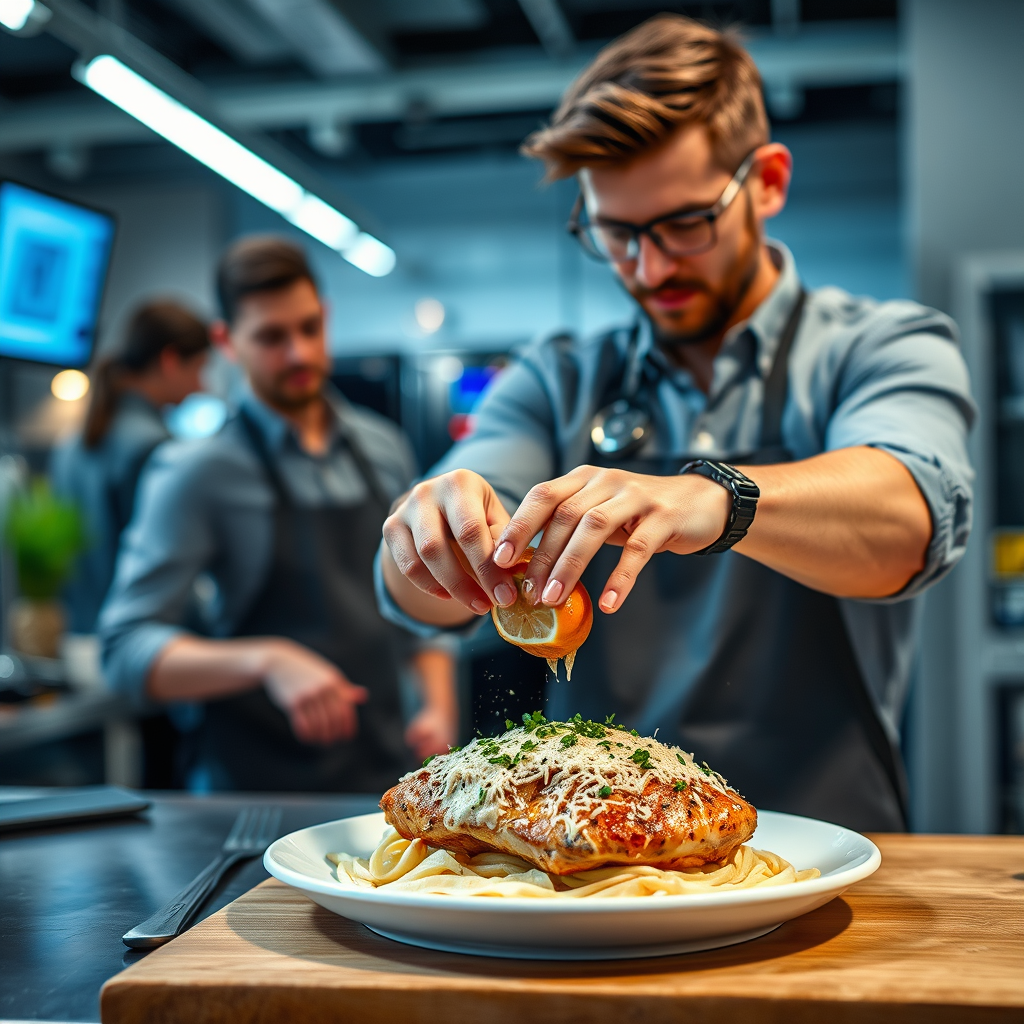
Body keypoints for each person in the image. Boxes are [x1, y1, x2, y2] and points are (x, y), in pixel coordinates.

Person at [377, 15, 975, 831]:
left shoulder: (883, 345)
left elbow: (911, 518)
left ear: (766, 180)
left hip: (831, 851)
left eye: (685, 224)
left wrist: (717, 497)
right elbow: (427, 586)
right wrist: (428, 538)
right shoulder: (557, 380)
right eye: (616, 234)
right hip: (601, 850)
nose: (649, 269)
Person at [99, 236, 457, 792]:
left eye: (310, 328)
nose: (299, 355)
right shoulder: (196, 471)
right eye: (271, 337)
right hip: (250, 799)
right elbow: (124, 652)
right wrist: (266, 660)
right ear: (226, 341)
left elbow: (425, 601)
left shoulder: (384, 448)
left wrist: (437, 705)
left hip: (381, 781)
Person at [51, 299, 210, 634]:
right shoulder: (156, 448)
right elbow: (166, 571)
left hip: (80, 635)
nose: (202, 386)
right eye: (199, 369)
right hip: (136, 648)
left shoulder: (71, 442)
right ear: (169, 361)